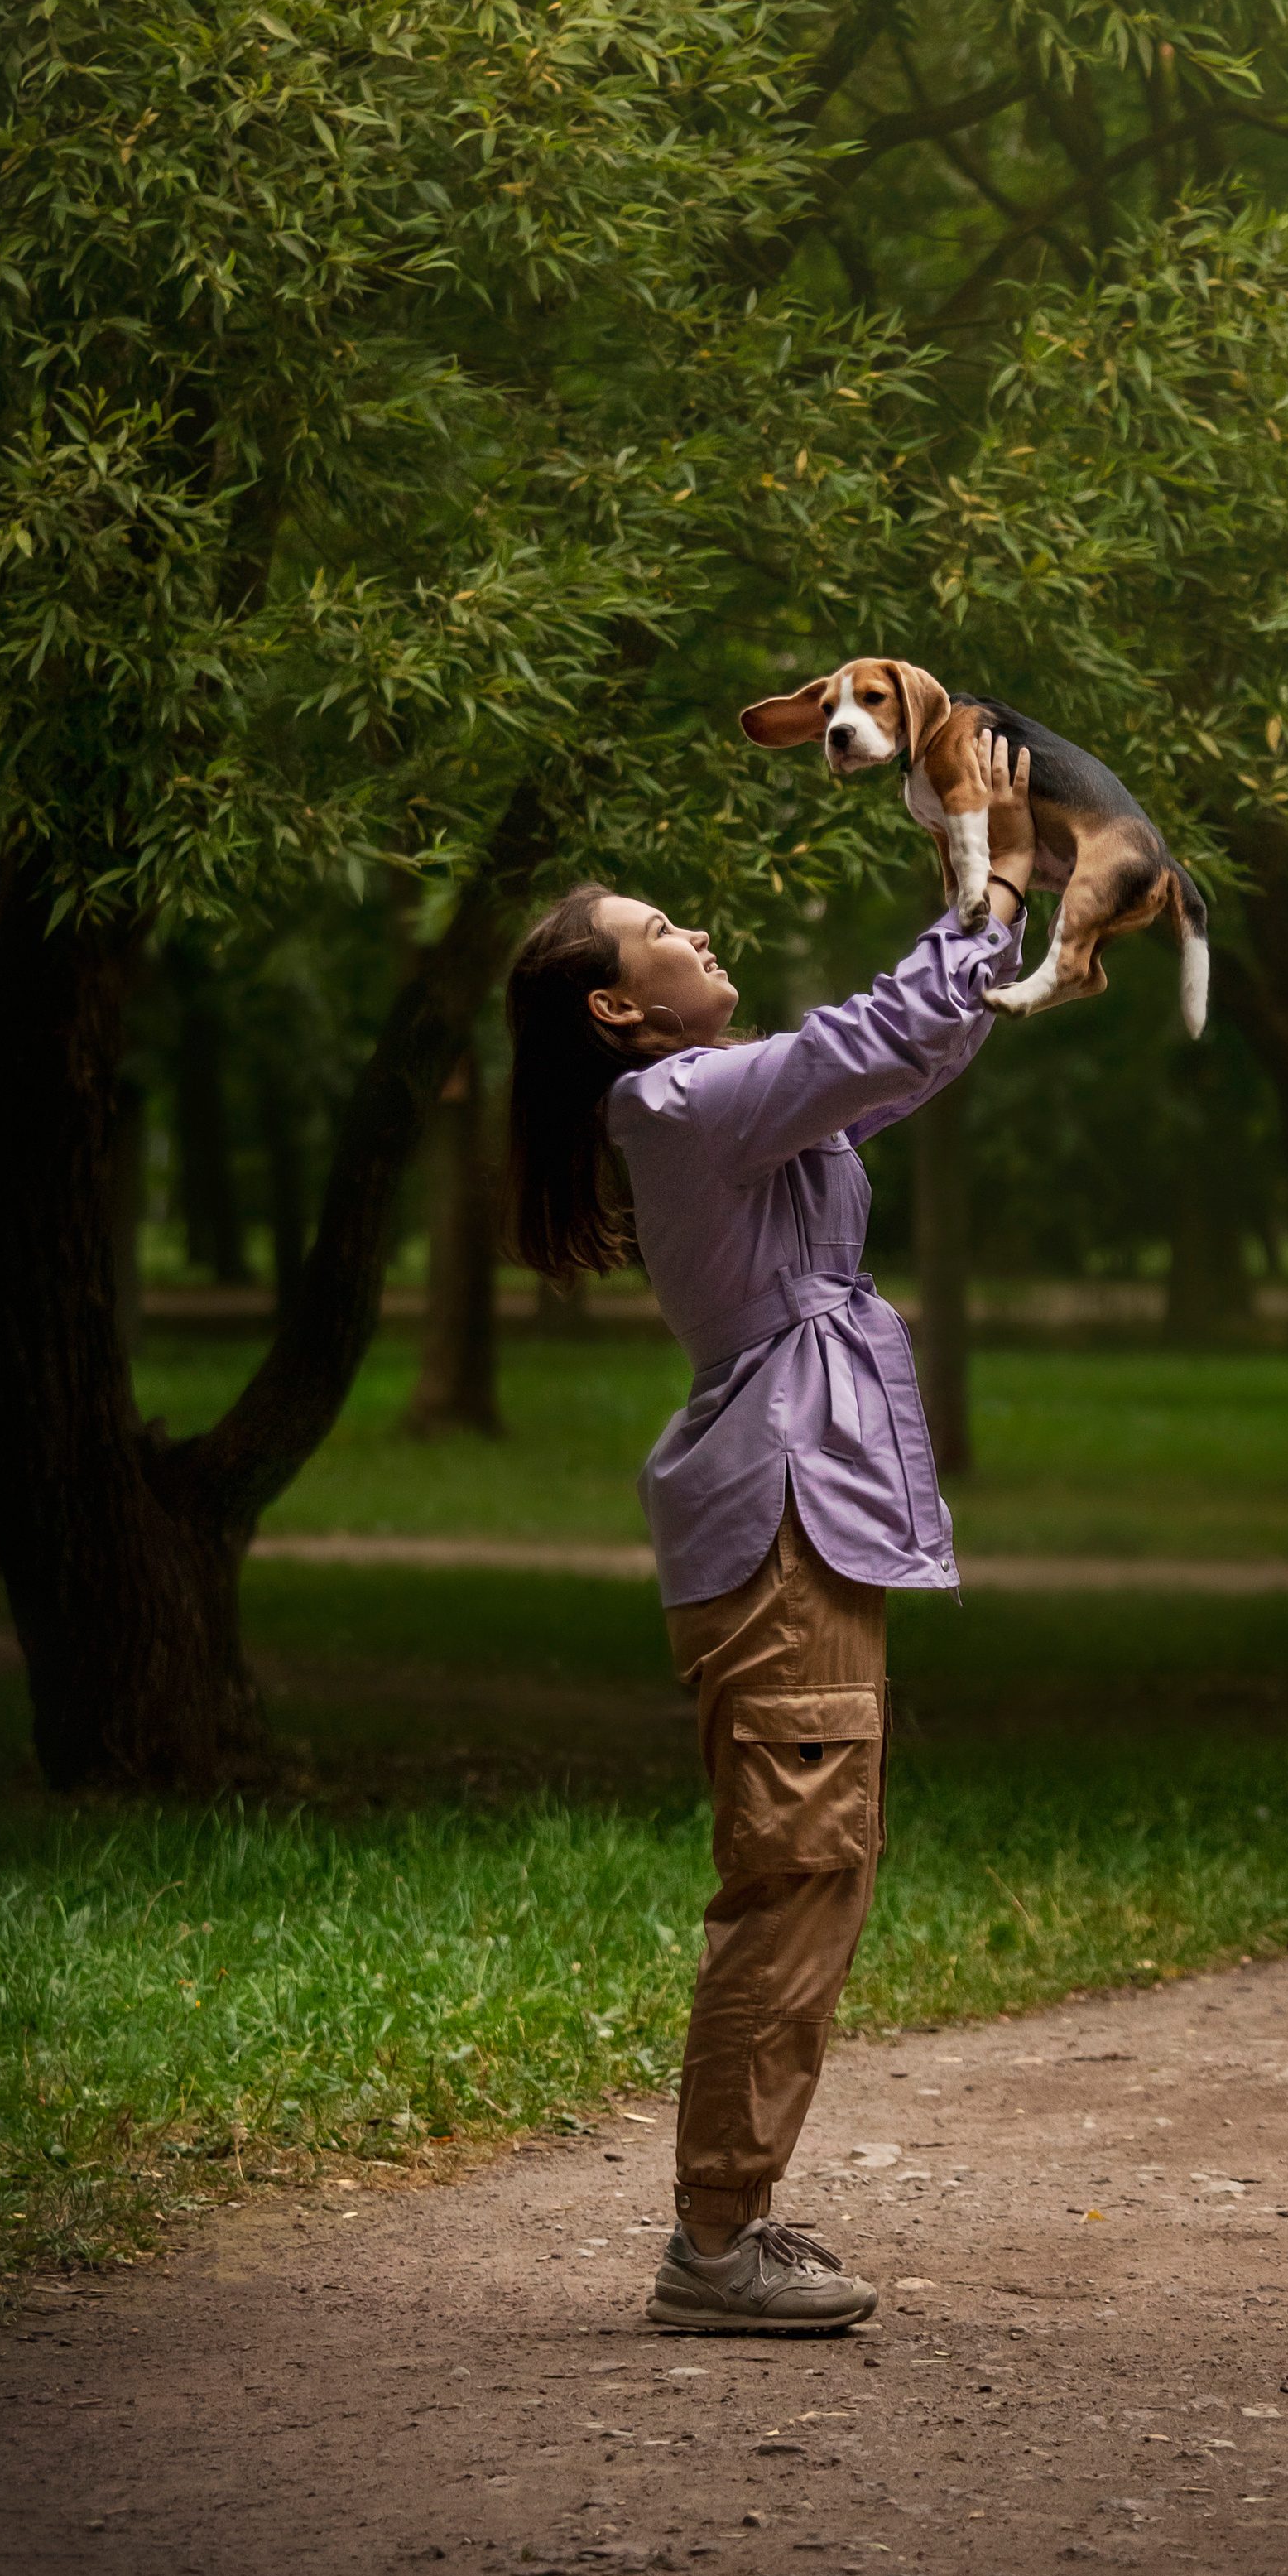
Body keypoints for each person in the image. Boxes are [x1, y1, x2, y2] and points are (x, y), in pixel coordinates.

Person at [502, 732, 1036, 2333]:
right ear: (619, 1006)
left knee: (813, 1866)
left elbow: (906, 1056)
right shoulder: (677, 1103)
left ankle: (733, 2224)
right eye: (665, 932)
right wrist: (994, 861)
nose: (702, 938)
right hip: (783, 1522)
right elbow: (877, 1034)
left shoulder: (725, 1109)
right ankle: (714, 2247)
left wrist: (986, 894)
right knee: (794, 1871)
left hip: (811, 1514)